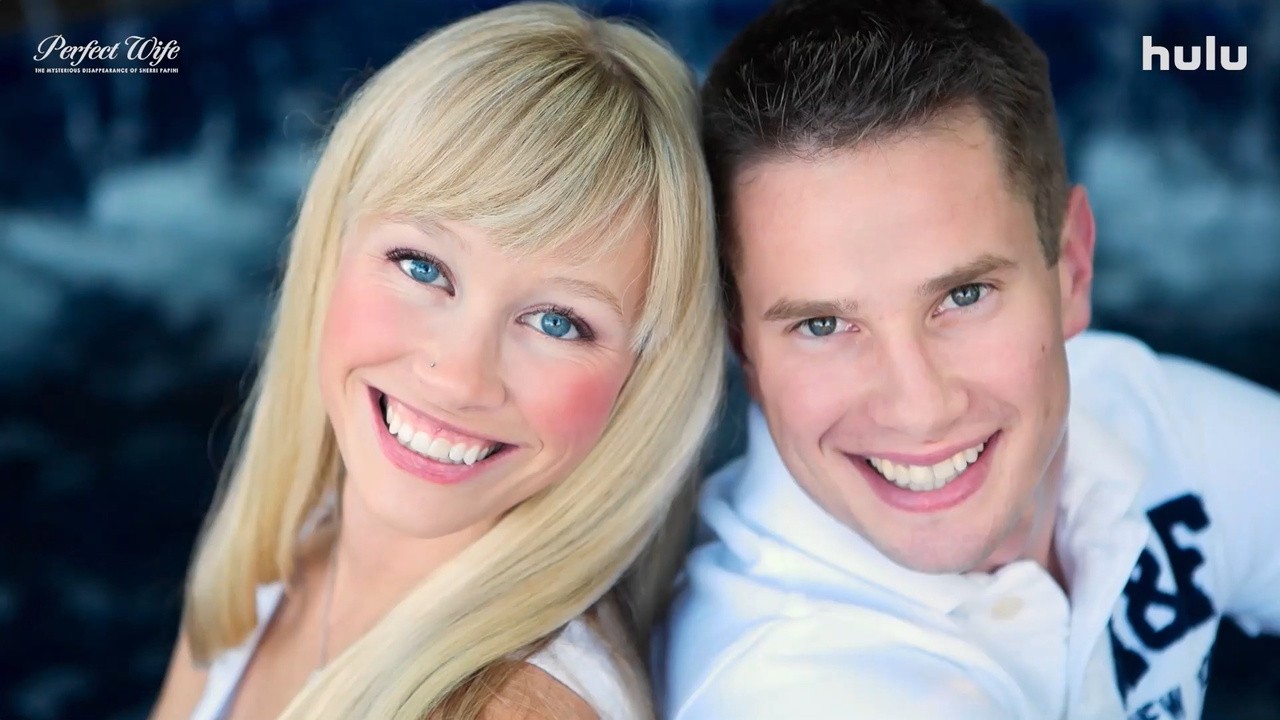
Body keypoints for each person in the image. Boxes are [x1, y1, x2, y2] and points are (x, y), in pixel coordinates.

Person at [661, 1, 1280, 718]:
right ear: (743, 347)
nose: (919, 408)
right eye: (823, 324)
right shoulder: (786, 687)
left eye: (963, 296)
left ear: (1072, 270)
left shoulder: (1135, 414)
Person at [147, 3, 725, 718]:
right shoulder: (277, 557)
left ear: (647, 378)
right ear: (332, 244)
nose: (458, 376)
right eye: (422, 267)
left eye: (557, 322)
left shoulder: (517, 708)